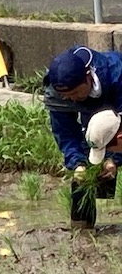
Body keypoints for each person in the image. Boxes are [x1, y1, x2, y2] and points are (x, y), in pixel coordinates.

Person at [43, 46, 122, 229]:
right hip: (94, 118)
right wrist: (77, 163)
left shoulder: (117, 75)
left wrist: (113, 159)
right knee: (83, 177)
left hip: (114, 100)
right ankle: (81, 231)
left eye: (76, 93)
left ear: (88, 76)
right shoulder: (58, 92)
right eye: (66, 96)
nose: (72, 99)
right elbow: (65, 132)